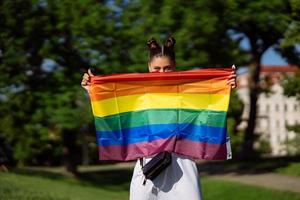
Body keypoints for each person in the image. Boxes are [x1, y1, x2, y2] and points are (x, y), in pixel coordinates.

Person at [81, 36, 237, 200]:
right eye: (157, 68)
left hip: (183, 169)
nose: (162, 73)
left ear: (174, 67)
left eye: (167, 68)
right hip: (148, 168)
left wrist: (225, 88)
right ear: (149, 67)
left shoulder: (189, 92)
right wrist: (93, 89)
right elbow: (115, 111)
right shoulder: (137, 93)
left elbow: (208, 112)